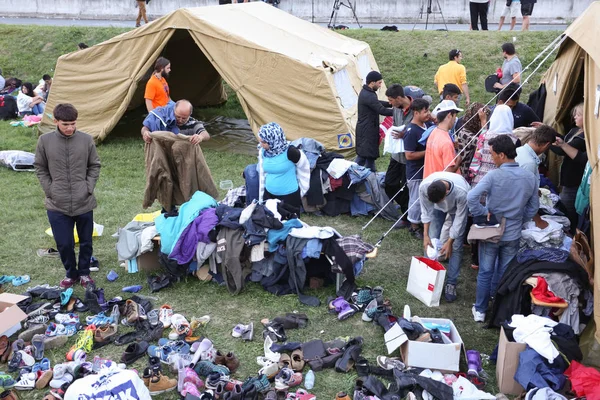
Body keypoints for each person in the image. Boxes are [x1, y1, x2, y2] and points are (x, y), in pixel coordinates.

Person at [468, 135, 538, 322]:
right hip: (513, 232)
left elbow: (472, 197)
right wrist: (520, 219)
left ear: (501, 154)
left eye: (492, 155)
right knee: (504, 272)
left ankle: (481, 310)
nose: (491, 158)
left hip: (492, 231)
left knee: (485, 271)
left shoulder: (494, 175)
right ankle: (497, 305)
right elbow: (533, 207)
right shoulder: (529, 176)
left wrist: (483, 212)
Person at [34, 104, 101, 289]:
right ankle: (71, 274)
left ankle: (85, 273)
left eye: (73, 123)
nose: (70, 128)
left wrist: (88, 187)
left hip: (84, 201)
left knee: (86, 242)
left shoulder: (86, 140)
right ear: (55, 121)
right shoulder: (45, 141)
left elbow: (94, 165)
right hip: (56, 203)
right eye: (65, 124)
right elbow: (40, 167)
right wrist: (50, 190)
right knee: (64, 244)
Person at [420, 171, 470, 302]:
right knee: (430, 242)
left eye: (440, 201)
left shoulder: (461, 192)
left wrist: (450, 241)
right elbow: (426, 211)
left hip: (457, 211)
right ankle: (429, 278)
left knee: (457, 247)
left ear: (447, 193)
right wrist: (425, 235)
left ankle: (451, 283)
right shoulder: (424, 187)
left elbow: (460, 219)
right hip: (435, 211)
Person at [550, 103, 587, 230]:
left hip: (574, 179)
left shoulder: (584, 138)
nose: (575, 117)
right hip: (568, 177)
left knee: (568, 210)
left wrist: (547, 140)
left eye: (579, 115)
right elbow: (565, 141)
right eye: (575, 114)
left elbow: (564, 149)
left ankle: (571, 235)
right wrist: (552, 133)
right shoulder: (575, 130)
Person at [257, 122, 309, 210]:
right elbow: (262, 174)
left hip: (289, 197)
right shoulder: (263, 151)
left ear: (273, 140)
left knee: (290, 223)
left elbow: (304, 168)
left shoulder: (291, 152)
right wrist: (261, 198)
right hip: (269, 194)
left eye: (264, 142)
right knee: (270, 222)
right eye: (260, 141)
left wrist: (303, 190)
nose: (261, 144)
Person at [383, 84, 413, 222]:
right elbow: (395, 124)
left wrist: (405, 134)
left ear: (400, 98)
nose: (390, 103)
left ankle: (407, 217)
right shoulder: (396, 108)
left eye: (391, 100)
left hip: (409, 157)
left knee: (406, 188)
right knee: (389, 184)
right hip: (396, 155)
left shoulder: (416, 109)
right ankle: (404, 207)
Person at [469, 105, 519, 186]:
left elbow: (477, 157)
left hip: (480, 179)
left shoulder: (484, 135)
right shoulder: (514, 140)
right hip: (501, 181)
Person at [355, 71, 393, 172]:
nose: (380, 85)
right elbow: (381, 110)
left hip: (366, 130)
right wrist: (398, 111)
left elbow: (376, 103)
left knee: (366, 157)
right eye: (379, 83)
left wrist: (390, 104)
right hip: (367, 131)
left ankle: (369, 176)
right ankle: (355, 175)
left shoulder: (367, 93)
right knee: (365, 157)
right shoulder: (369, 95)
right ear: (372, 83)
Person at [403, 99, 431, 239]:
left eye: (428, 110)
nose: (428, 114)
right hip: (416, 172)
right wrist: (429, 151)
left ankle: (421, 222)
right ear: (416, 113)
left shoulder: (427, 125)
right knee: (416, 200)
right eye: (425, 111)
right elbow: (409, 155)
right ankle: (413, 226)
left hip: (427, 170)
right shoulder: (411, 131)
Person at [423, 100, 463, 179]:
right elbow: (448, 171)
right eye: (454, 116)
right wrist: (458, 160)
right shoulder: (446, 142)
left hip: (429, 182)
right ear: (449, 115)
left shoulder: (433, 132)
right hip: (441, 186)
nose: (455, 120)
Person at [141, 100, 209, 145]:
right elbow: (145, 128)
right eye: (178, 117)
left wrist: (200, 137)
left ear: (189, 115)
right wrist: (145, 133)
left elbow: (205, 134)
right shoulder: (163, 118)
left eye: (184, 118)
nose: (180, 120)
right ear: (174, 111)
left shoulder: (193, 123)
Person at [456, 102, 489, 181]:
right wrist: (483, 122)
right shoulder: (465, 133)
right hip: (466, 176)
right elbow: (484, 143)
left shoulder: (474, 131)